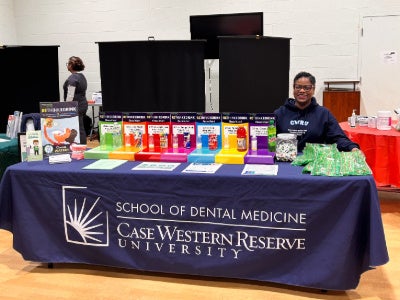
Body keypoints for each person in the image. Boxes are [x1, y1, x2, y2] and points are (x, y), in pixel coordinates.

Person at [274, 71, 359, 152]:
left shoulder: (324, 114)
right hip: (284, 160)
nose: (302, 91)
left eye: (307, 88)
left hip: (314, 162)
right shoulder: (280, 113)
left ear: (313, 89)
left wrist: (352, 148)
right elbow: (269, 138)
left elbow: (337, 138)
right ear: (293, 88)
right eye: (298, 87)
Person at [63, 56, 88, 144]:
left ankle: (81, 146)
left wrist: (65, 108)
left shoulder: (72, 78)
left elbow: (70, 96)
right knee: (80, 127)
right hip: (83, 104)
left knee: (78, 128)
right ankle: (81, 145)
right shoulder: (82, 76)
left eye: (68, 64)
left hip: (76, 106)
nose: (67, 66)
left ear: (71, 65)